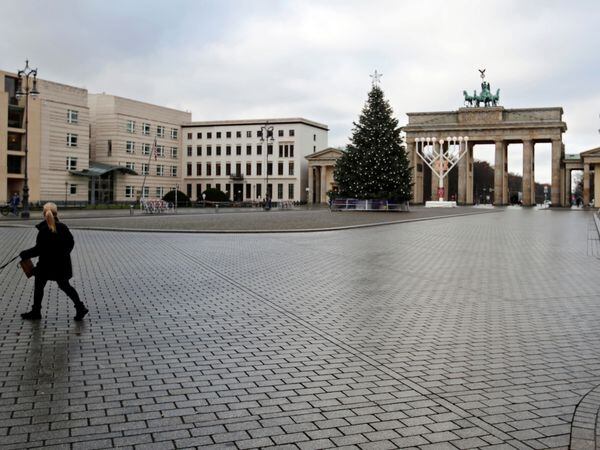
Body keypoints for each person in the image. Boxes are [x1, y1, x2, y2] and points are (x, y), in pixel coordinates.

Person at [19, 202, 88, 321]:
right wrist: (63, 255)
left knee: (39, 287)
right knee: (65, 286)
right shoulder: (63, 227)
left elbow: (39, 249)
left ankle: (36, 312)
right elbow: (70, 243)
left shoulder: (44, 229)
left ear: (43, 213)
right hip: (61, 265)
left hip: (45, 265)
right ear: (56, 213)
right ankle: (80, 307)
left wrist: (25, 253)